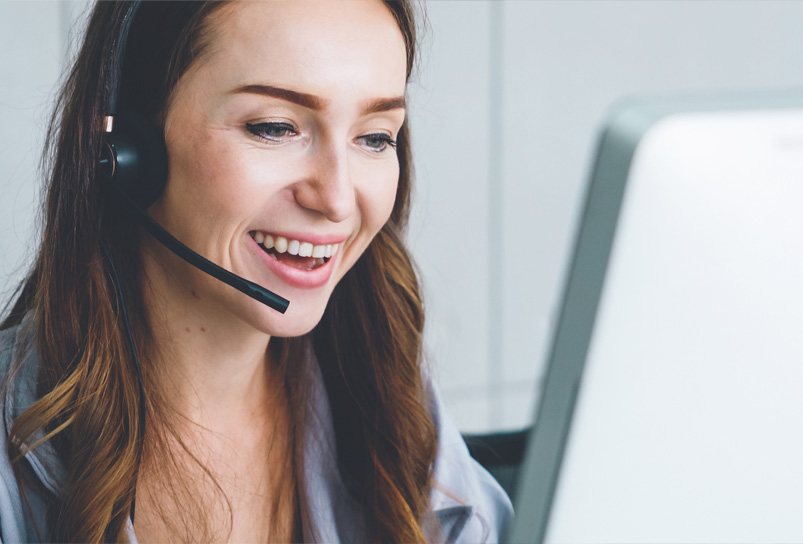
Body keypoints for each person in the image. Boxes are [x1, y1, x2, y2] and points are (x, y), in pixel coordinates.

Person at [0, 1, 512, 542]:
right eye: (274, 127)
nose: (337, 199)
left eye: (375, 137)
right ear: (127, 153)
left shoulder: (381, 390)